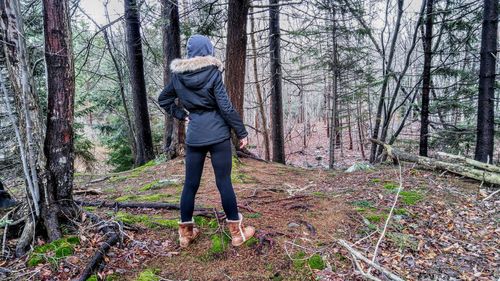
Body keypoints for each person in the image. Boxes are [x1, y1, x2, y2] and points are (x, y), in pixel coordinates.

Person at [158, 35, 255, 248]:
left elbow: (163, 99)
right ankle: (237, 234)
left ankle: (185, 234)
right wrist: (241, 132)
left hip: (195, 136)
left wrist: (182, 115)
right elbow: (225, 107)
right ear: (207, 51)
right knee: (224, 182)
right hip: (218, 135)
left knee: (190, 184)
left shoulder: (178, 76)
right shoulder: (212, 73)